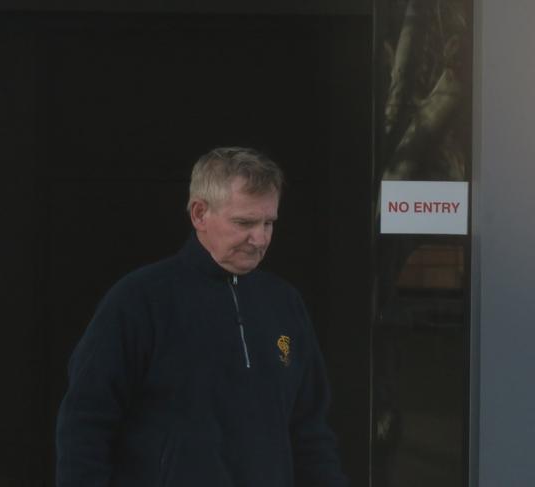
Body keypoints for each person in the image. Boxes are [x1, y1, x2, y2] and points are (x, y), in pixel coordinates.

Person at [56, 147, 349, 487]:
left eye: (269, 223)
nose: (260, 238)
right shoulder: (139, 299)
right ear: (199, 214)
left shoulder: (284, 303)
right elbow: (85, 423)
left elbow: (310, 431)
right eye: (245, 222)